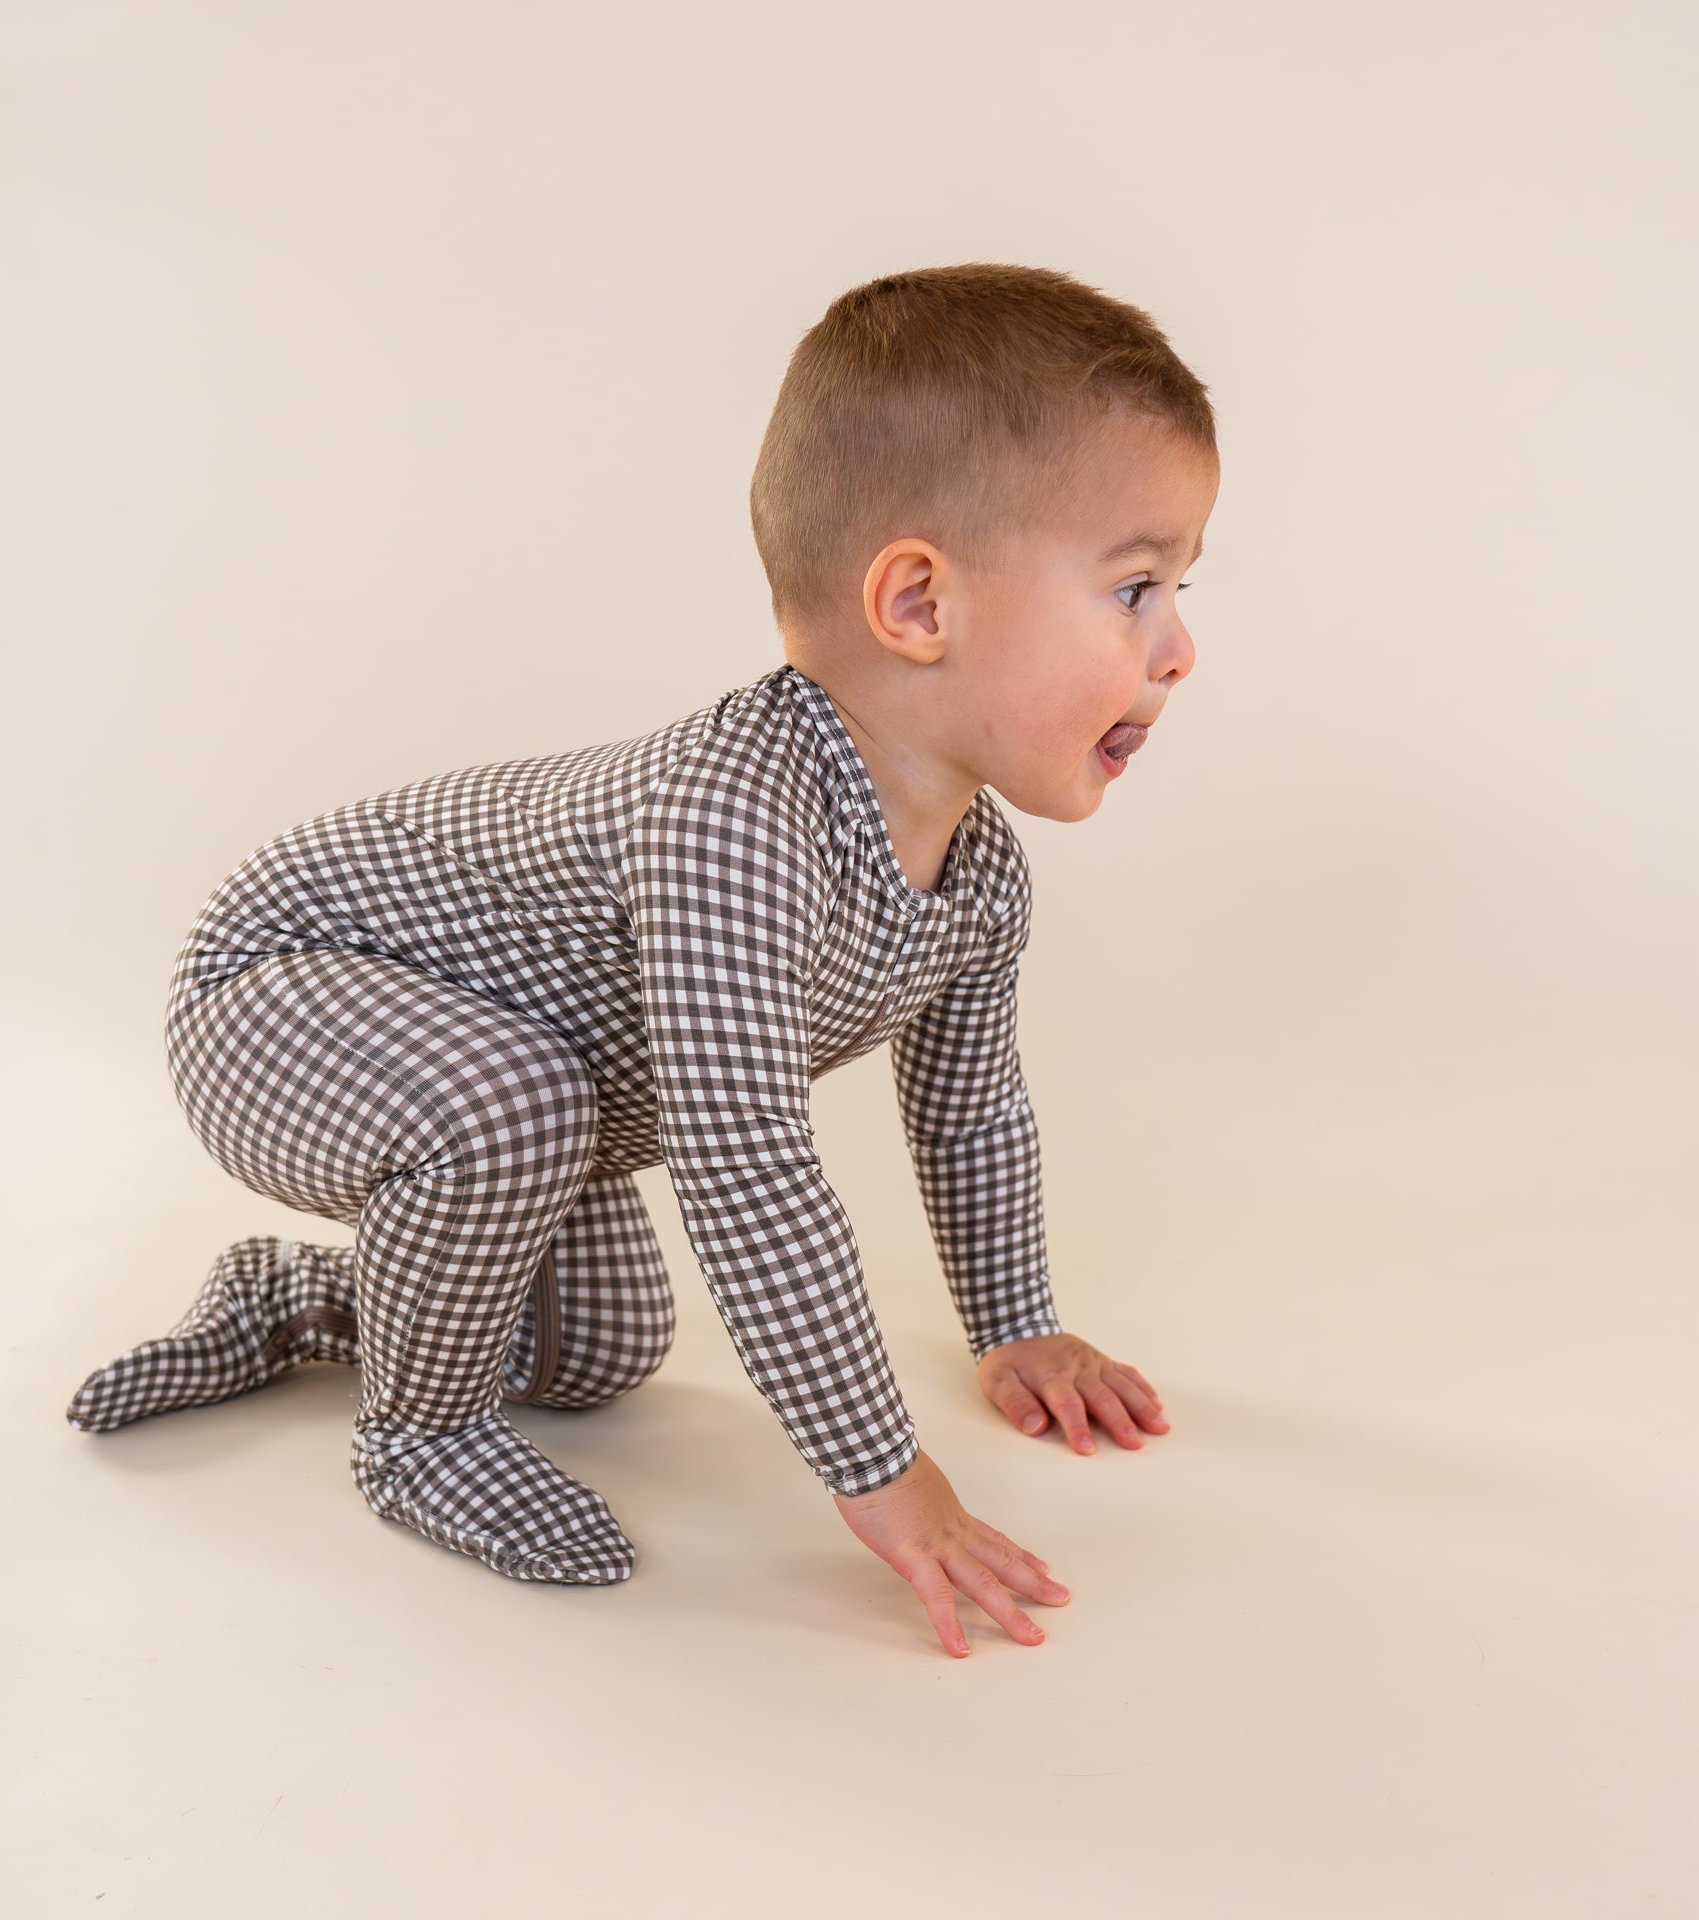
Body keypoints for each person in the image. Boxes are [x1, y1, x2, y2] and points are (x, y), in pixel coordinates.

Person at [66, 261, 1207, 1658]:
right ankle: (416, 1437)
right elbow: (747, 1172)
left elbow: (971, 1108)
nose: (1180, 649)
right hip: (276, 991)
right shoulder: (735, 819)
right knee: (514, 1110)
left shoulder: (976, 876)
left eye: (1180, 590)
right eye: (1136, 589)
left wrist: (1014, 1324)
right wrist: (886, 1481)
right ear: (918, 606)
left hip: (506, 1057)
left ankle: (291, 1300)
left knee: (598, 1353)